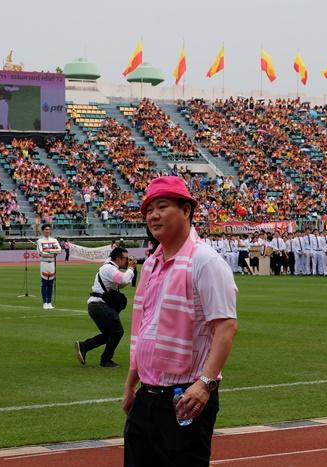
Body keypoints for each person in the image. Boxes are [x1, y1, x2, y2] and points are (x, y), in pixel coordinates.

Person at [123, 176, 238, 466]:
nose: (153, 215)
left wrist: (204, 384)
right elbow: (144, 328)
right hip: (147, 397)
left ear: (186, 210)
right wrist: (130, 384)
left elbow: (225, 327)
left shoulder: (205, 262)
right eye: (149, 209)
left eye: (162, 206)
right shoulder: (151, 263)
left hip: (185, 396)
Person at [75, 247, 137, 368]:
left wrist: (131, 270)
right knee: (118, 331)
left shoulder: (110, 267)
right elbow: (124, 279)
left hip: (97, 306)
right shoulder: (109, 268)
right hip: (99, 305)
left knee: (110, 334)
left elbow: (121, 283)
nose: (128, 261)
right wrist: (131, 268)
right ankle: (105, 360)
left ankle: (84, 346)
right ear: (118, 259)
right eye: (126, 259)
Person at [36, 224, 62, 309]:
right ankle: (44, 302)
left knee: (50, 283)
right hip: (44, 263)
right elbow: (41, 252)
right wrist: (52, 253)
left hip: (52, 263)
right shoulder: (40, 241)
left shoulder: (54, 240)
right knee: (44, 283)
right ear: (43, 231)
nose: (48, 231)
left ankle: (49, 302)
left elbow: (59, 250)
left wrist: (49, 251)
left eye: (49, 229)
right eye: (46, 229)